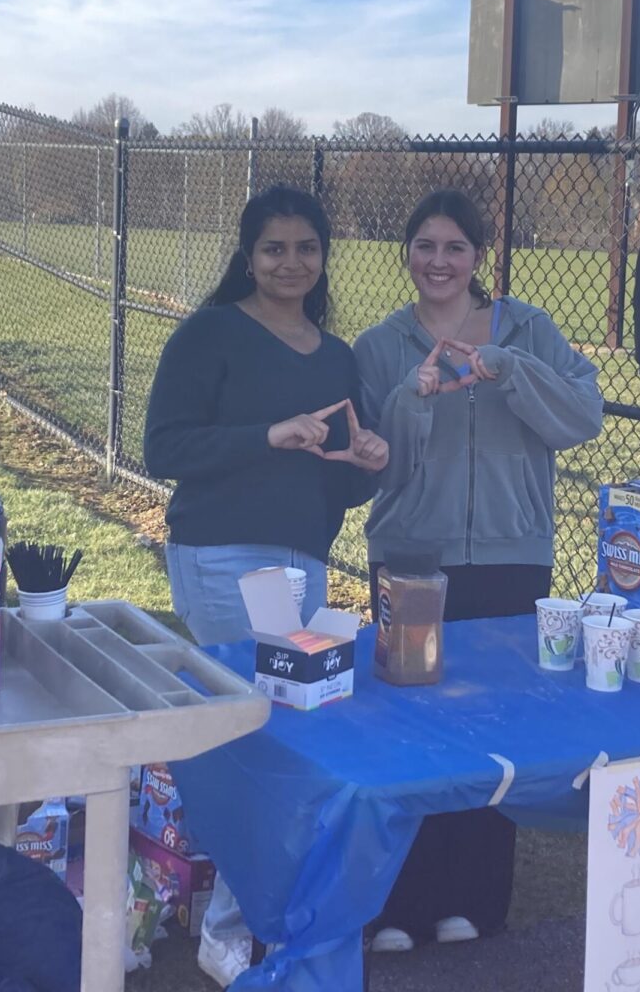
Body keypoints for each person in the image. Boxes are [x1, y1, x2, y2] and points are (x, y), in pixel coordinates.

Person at [144, 183, 388, 988]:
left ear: (324, 258)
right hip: (221, 554)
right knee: (255, 733)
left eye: (306, 248)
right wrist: (266, 436)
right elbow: (165, 448)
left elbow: (333, 490)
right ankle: (227, 928)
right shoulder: (211, 334)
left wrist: (363, 468)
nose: (291, 263)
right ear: (247, 255)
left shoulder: (336, 353)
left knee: (281, 733)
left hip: (301, 562)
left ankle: (247, 908)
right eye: (274, 248)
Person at [353, 189, 603, 953]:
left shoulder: (529, 329)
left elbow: (581, 419)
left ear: (478, 256)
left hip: (510, 555)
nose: (439, 261)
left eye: (455, 247)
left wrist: (507, 370)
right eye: (425, 245)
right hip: (412, 557)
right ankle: (400, 902)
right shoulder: (380, 343)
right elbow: (377, 470)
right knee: (411, 730)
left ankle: (475, 900)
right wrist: (414, 395)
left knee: (494, 726)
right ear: (408, 254)